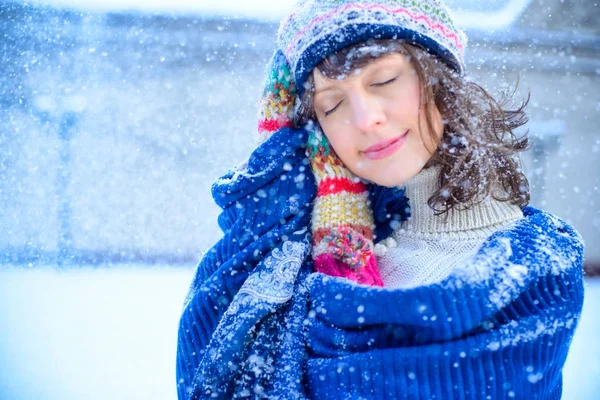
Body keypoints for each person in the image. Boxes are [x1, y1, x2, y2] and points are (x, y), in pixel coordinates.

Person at [176, 0, 585, 399]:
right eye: (332, 104)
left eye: (384, 80)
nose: (363, 118)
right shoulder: (292, 261)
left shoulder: (531, 275)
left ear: (438, 79)